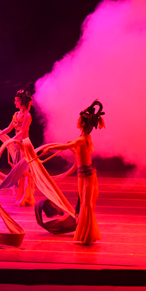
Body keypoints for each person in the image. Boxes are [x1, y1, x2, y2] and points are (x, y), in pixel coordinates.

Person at [40, 100, 106, 245]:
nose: (76, 121)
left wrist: (50, 148)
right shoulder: (83, 138)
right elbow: (75, 149)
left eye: (78, 119)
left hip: (87, 176)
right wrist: (70, 145)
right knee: (82, 203)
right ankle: (85, 233)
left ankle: (87, 235)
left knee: (86, 205)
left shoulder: (82, 139)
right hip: (82, 176)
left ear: (83, 123)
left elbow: (66, 146)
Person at [0, 87, 35, 206]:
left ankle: (24, 198)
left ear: (22, 102)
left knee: (23, 172)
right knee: (18, 172)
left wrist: (12, 139)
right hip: (17, 145)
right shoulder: (15, 115)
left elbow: (23, 132)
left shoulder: (27, 115)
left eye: (17, 100)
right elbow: (9, 128)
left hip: (24, 145)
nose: (15, 102)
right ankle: (22, 197)